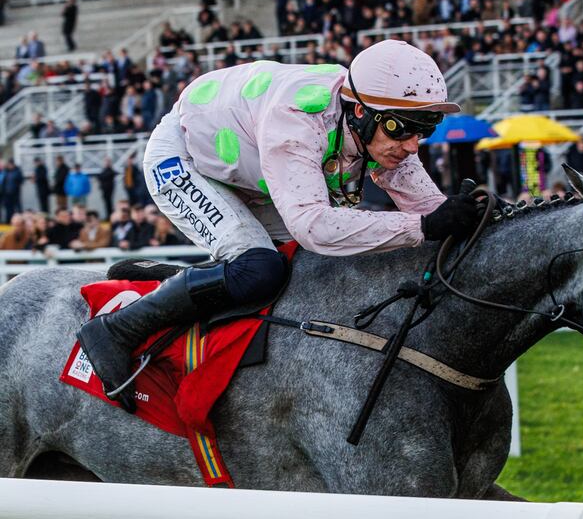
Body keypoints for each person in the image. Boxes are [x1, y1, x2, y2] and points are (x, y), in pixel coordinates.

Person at [77, 40, 478, 411]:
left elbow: (432, 211)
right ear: (360, 111)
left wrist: (478, 216)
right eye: (400, 129)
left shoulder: (378, 121)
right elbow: (316, 226)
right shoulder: (298, 117)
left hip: (252, 170)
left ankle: (203, 283)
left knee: (311, 268)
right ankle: (117, 330)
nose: (411, 145)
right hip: (186, 160)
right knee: (259, 269)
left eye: (425, 131)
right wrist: (424, 225)